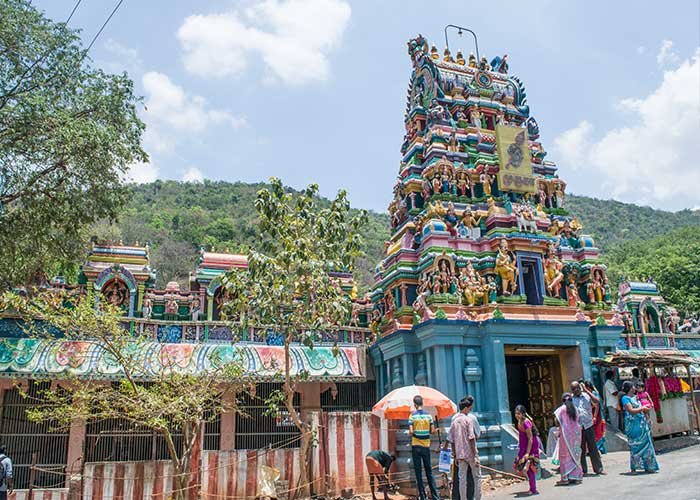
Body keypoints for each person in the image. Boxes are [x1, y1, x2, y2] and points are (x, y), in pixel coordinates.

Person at [620, 381, 659, 473]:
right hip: (633, 426)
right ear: (630, 388)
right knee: (635, 445)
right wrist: (642, 408)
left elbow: (642, 410)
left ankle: (649, 466)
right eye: (633, 386)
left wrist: (647, 418)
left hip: (641, 424)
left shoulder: (635, 397)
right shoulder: (625, 398)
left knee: (647, 444)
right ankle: (634, 467)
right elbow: (631, 410)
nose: (635, 388)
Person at [445, 403, 481, 499]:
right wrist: (476, 455)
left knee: (462, 480)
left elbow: (451, 440)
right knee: (477, 477)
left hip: (460, 455)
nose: (469, 411)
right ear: (465, 408)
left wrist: (455, 454)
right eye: (469, 409)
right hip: (470, 454)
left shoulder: (454, 421)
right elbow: (472, 438)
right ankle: (478, 498)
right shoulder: (469, 420)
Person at [570, 381, 605, 475]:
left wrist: (586, 390)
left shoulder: (586, 395)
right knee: (581, 449)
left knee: (593, 448)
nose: (575, 390)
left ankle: (598, 469)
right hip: (578, 427)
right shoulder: (570, 399)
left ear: (580, 387)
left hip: (588, 425)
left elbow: (597, 402)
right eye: (573, 389)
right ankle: (583, 470)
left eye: (577, 388)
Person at [409, 395, 439, 500]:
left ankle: (423, 497)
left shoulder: (412, 416)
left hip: (416, 446)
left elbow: (411, 432)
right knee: (429, 472)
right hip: (426, 446)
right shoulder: (429, 416)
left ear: (415, 404)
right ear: (422, 403)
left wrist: (416, 434)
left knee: (418, 472)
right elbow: (432, 431)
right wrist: (437, 429)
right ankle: (436, 496)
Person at [554, 393, 583, 485]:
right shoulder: (575, 409)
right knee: (575, 454)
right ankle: (577, 477)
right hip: (576, 435)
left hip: (565, 436)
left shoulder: (561, 409)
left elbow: (557, 421)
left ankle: (565, 478)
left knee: (564, 455)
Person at [513, 405, 539, 496]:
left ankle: (533, 489)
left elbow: (530, 438)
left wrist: (528, 453)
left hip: (531, 446)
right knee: (519, 465)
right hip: (523, 446)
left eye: (519, 413)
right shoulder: (519, 421)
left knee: (529, 468)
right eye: (516, 413)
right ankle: (532, 486)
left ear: (523, 414)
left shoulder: (526, 423)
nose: (517, 415)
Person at [584, 380, 606, 454]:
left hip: (596, 416)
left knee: (598, 432)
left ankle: (598, 449)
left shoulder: (594, 394)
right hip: (591, 415)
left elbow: (596, 405)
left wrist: (595, 417)